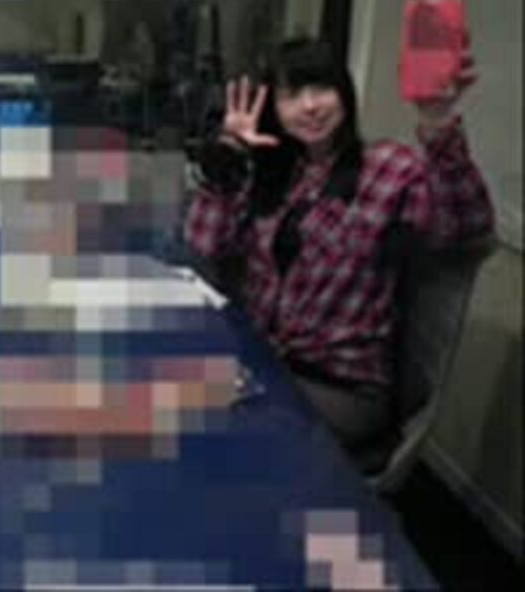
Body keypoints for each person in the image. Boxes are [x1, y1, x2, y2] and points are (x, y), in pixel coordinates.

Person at [183, 37, 494, 463]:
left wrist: (437, 123)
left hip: (340, 387)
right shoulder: (272, 170)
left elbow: (466, 227)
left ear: (344, 93)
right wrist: (229, 156)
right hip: (263, 364)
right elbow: (205, 243)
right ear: (274, 108)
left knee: (215, 440)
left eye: (322, 88)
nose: (310, 106)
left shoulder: (388, 167)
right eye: (292, 95)